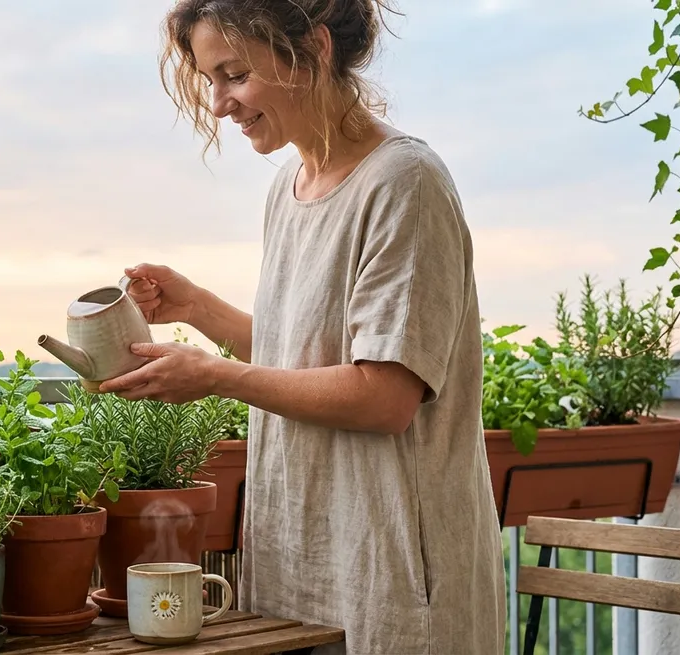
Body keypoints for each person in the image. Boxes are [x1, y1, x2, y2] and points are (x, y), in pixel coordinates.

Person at [97, 1, 506, 653]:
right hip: (301, 568)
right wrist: (197, 307)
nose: (219, 105)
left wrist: (217, 377)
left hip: (393, 578)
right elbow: (303, 357)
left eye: (234, 74)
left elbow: (384, 396)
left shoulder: (404, 182)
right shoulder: (289, 187)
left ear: (312, 49)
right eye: (209, 80)